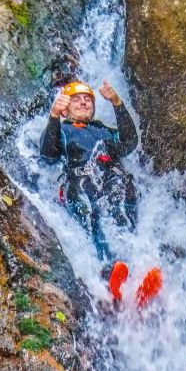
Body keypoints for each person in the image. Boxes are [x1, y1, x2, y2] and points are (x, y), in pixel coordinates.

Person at [39, 80, 139, 265]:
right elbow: (48, 155)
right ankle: (107, 266)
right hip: (80, 182)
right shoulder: (62, 130)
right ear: (65, 109)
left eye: (88, 99)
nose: (84, 102)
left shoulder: (105, 130)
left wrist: (117, 103)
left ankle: (135, 261)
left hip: (112, 178)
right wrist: (53, 116)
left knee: (125, 193)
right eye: (76, 99)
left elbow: (130, 142)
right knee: (92, 208)